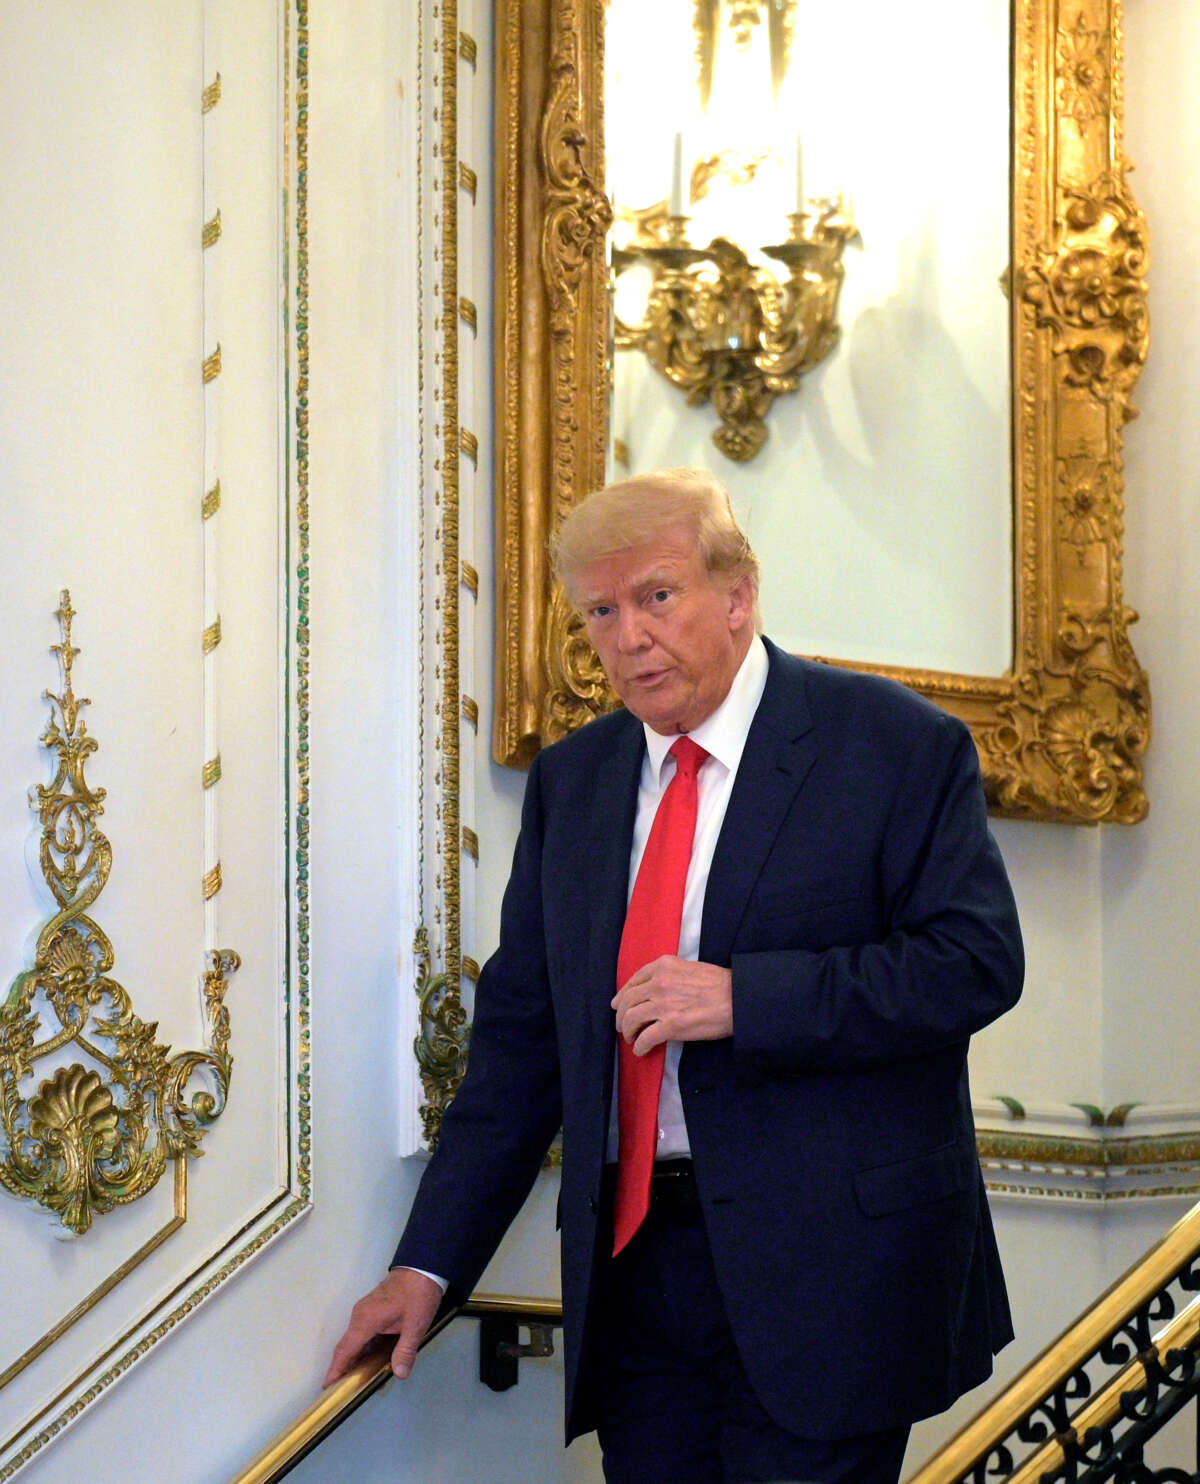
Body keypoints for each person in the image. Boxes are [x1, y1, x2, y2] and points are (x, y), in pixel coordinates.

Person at [324, 467, 1024, 1483]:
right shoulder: (577, 780)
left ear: (738, 594)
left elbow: (974, 962)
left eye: (656, 596)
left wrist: (748, 998)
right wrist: (425, 1265)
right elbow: (522, 1045)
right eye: (601, 611)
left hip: (834, 1277)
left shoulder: (892, 744)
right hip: (636, 1275)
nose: (628, 636)